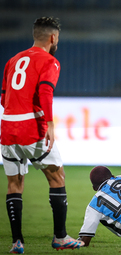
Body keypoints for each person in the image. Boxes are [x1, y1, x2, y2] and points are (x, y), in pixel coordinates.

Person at [1, 17, 84, 254]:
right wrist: (49, 122)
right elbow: (45, 91)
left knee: (14, 183)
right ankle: (60, 238)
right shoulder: (50, 61)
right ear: (53, 37)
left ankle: (17, 242)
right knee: (57, 177)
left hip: (7, 128)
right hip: (32, 128)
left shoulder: (12, 60)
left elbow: (3, 97)